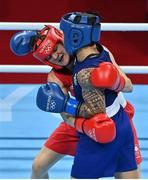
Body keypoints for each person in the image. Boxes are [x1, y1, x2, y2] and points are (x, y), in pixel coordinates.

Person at [10, 24, 141, 178]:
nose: (55, 56)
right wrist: (85, 126)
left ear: (62, 40)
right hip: (81, 119)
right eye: (48, 57)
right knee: (38, 166)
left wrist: (113, 80)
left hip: (115, 117)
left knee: (129, 175)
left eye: (55, 48)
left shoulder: (94, 53)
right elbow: (65, 114)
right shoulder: (55, 78)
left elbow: (129, 85)